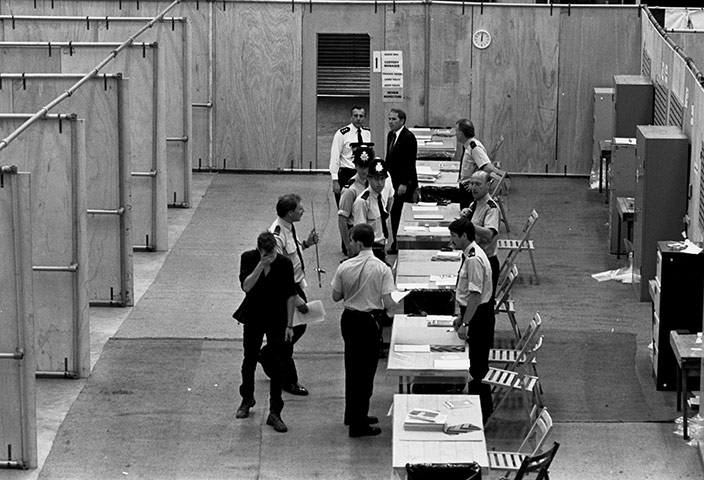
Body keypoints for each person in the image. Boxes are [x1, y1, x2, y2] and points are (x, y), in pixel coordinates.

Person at [331, 223, 396, 438]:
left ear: (359, 243)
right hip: (369, 322)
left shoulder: (344, 267)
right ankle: (359, 424)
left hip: (349, 320)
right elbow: (388, 302)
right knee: (366, 374)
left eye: (351, 241)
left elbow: (336, 296)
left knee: (352, 368)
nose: (349, 245)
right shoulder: (382, 269)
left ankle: (353, 414)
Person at [235, 231, 297, 433]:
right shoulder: (249, 259)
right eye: (266, 253)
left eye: (272, 252)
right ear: (259, 250)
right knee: (249, 359)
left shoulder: (284, 264)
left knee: (278, 363)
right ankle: (247, 398)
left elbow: (290, 295)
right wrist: (260, 265)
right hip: (254, 315)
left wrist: (289, 325)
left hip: (276, 317)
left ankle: (275, 411)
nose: (270, 256)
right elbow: (246, 286)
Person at [260, 194, 319, 396]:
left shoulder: (288, 227)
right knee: (290, 331)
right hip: (285, 289)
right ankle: (288, 380)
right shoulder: (276, 234)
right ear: (289, 212)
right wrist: (295, 296)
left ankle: (268, 354)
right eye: (300, 209)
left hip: (294, 285)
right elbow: (278, 271)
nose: (303, 211)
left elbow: (291, 253)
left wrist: (307, 243)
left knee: (299, 327)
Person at [448, 217, 495, 423]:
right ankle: (481, 409)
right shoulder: (469, 255)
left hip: (479, 316)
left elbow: (475, 295)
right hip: (472, 312)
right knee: (476, 366)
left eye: (454, 237)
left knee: (477, 368)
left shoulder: (474, 259)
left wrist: (467, 323)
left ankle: (482, 413)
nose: (451, 241)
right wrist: (461, 316)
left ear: (464, 236)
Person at [460, 170, 500, 299]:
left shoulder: (491, 208)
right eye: (471, 184)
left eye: (478, 184)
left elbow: (489, 234)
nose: (473, 188)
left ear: (488, 185)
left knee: (481, 302)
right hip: (472, 258)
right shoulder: (475, 203)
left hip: (485, 262)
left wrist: (468, 226)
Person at [385, 108, 418, 254]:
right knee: (394, 212)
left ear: (402, 121)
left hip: (404, 183)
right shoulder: (391, 135)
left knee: (401, 213)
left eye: (394, 119)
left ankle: (401, 243)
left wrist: (404, 183)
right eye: (389, 119)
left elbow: (409, 163)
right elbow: (389, 158)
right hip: (393, 181)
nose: (391, 122)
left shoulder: (408, 137)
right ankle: (396, 242)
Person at [352, 158, 394, 262]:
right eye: (376, 179)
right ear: (369, 179)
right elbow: (360, 234)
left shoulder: (379, 198)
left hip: (381, 249)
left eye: (382, 179)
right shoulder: (363, 202)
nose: (380, 183)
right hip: (369, 252)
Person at [330, 106, 371, 206]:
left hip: (362, 174)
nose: (358, 118)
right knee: (345, 208)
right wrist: (335, 180)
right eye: (355, 116)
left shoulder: (367, 133)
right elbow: (335, 157)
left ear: (364, 118)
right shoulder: (342, 134)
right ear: (351, 117)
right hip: (347, 173)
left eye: (361, 116)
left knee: (361, 206)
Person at [338, 145, 374, 256]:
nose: (364, 170)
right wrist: (348, 246)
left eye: (367, 166)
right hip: (356, 236)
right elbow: (342, 220)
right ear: (355, 165)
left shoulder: (373, 183)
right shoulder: (350, 189)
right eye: (360, 166)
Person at [455, 118, 492, 209]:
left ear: (461, 134)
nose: (455, 134)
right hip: (465, 187)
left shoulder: (474, 147)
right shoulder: (467, 145)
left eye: (456, 131)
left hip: (470, 190)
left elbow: (488, 167)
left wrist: (474, 182)